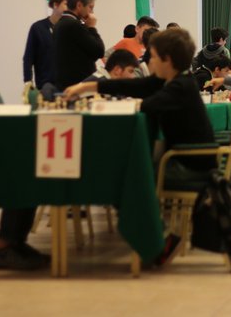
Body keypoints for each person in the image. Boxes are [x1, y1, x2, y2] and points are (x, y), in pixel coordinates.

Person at [63, 28, 218, 265]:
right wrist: (88, 87)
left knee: (129, 176)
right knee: (126, 173)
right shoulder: (174, 81)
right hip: (184, 159)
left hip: (190, 164)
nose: (148, 61)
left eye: (152, 56)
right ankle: (157, 236)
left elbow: (146, 104)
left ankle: (158, 240)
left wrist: (101, 96)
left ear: (167, 60)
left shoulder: (179, 87)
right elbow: (135, 86)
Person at [53, 0, 105, 90]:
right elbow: (99, 51)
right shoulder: (74, 25)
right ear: (79, 5)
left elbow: (86, 53)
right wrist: (92, 27)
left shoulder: (60, 23)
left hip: (65, 84)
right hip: (79, 86)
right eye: (90, 7)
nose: (92, 12)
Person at [22, 0, 69, 91]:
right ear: (55, 5)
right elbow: (28, 59)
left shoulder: (71, 29)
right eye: (66, 4)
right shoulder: (38, 28)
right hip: (45, 87)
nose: (69, 8)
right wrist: (28, 84)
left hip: (68, 88)